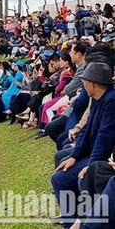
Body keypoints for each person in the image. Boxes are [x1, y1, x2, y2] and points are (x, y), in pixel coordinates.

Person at [52, 62, 115, 223]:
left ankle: (75, 222)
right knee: (63, 161)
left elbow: (105, 137)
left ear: (93, 84)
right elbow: (87, 129)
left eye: (85, 82)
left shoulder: (111, 100)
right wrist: (74, 156)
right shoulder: (97, 98)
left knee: (60, 179)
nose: (83, 85)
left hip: (103, 158)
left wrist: (91, 166)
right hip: (92, 152)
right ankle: (74, 219)